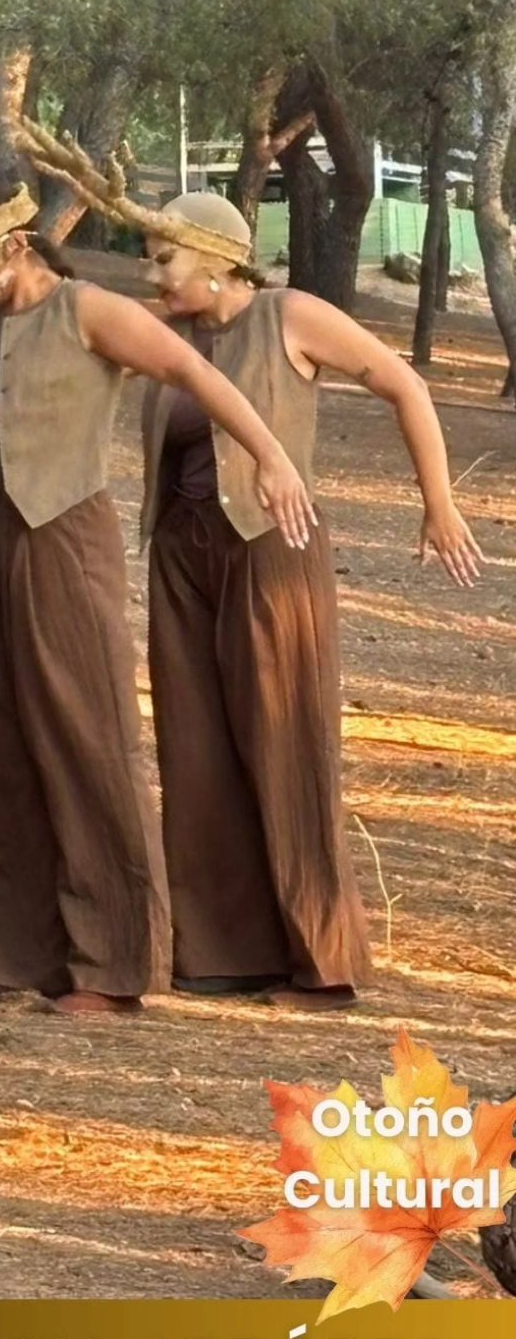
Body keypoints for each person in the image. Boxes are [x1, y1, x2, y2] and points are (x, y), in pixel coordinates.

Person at [0, 179, 315, 1016]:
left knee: (86, 741)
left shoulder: (86, 311)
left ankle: (112, 965)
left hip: (65, 539)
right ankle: (22, 954)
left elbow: (190, 368)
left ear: (17, 244)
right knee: (1, 746)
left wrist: (269, 454)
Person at [132, 187, 484, 1010]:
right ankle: (224, 954)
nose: (152, 276)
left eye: (165, 259)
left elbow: (405, 385)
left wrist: (437, 502)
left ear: (216, 260)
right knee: (195, 747)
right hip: (181, 552)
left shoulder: (287, 315)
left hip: (271, 549)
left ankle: (323, 962)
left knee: (285, 744)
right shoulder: (167, 337)